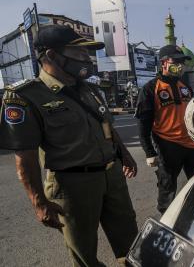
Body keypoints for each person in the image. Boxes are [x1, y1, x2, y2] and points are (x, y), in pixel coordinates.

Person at [0, 25, 138, 266]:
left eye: (87, 54)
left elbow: (107, 126)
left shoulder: (91, 91)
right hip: (74, 187)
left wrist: (124, 155)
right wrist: (39, 202)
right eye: (79, 53)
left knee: (133, 245)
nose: (87, 59)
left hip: (112, 177)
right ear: (52, 55)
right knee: (84, 254)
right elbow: (25, 156)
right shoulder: (26, 96)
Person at [135, 45, 194, 214]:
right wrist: (149, 152)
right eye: (176, 61)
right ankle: (166, 220)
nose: (180, 65)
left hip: (193, 144)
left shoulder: (185, 86)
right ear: (164, 63)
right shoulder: (150, 89)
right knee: (167, 186)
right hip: (168, 144)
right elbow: (143, 124)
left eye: (182, 62)